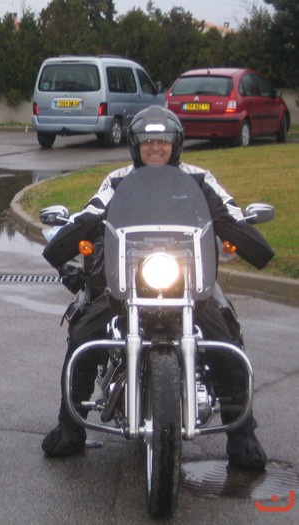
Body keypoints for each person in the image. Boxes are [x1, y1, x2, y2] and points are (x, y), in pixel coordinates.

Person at [40, 106, 273, 470]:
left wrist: (246, 234)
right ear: (135, 145)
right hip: (130, 280)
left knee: (226, 338)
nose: (155, 147)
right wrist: (68, 237)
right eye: (147, 141)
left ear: (175, 144)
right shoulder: (118, 181)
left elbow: (228, 212)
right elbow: (91, 212)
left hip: (190, 281)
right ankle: (70, 428)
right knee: (83, 332)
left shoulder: (198, 179)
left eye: (162, 141)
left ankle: (242, 436)